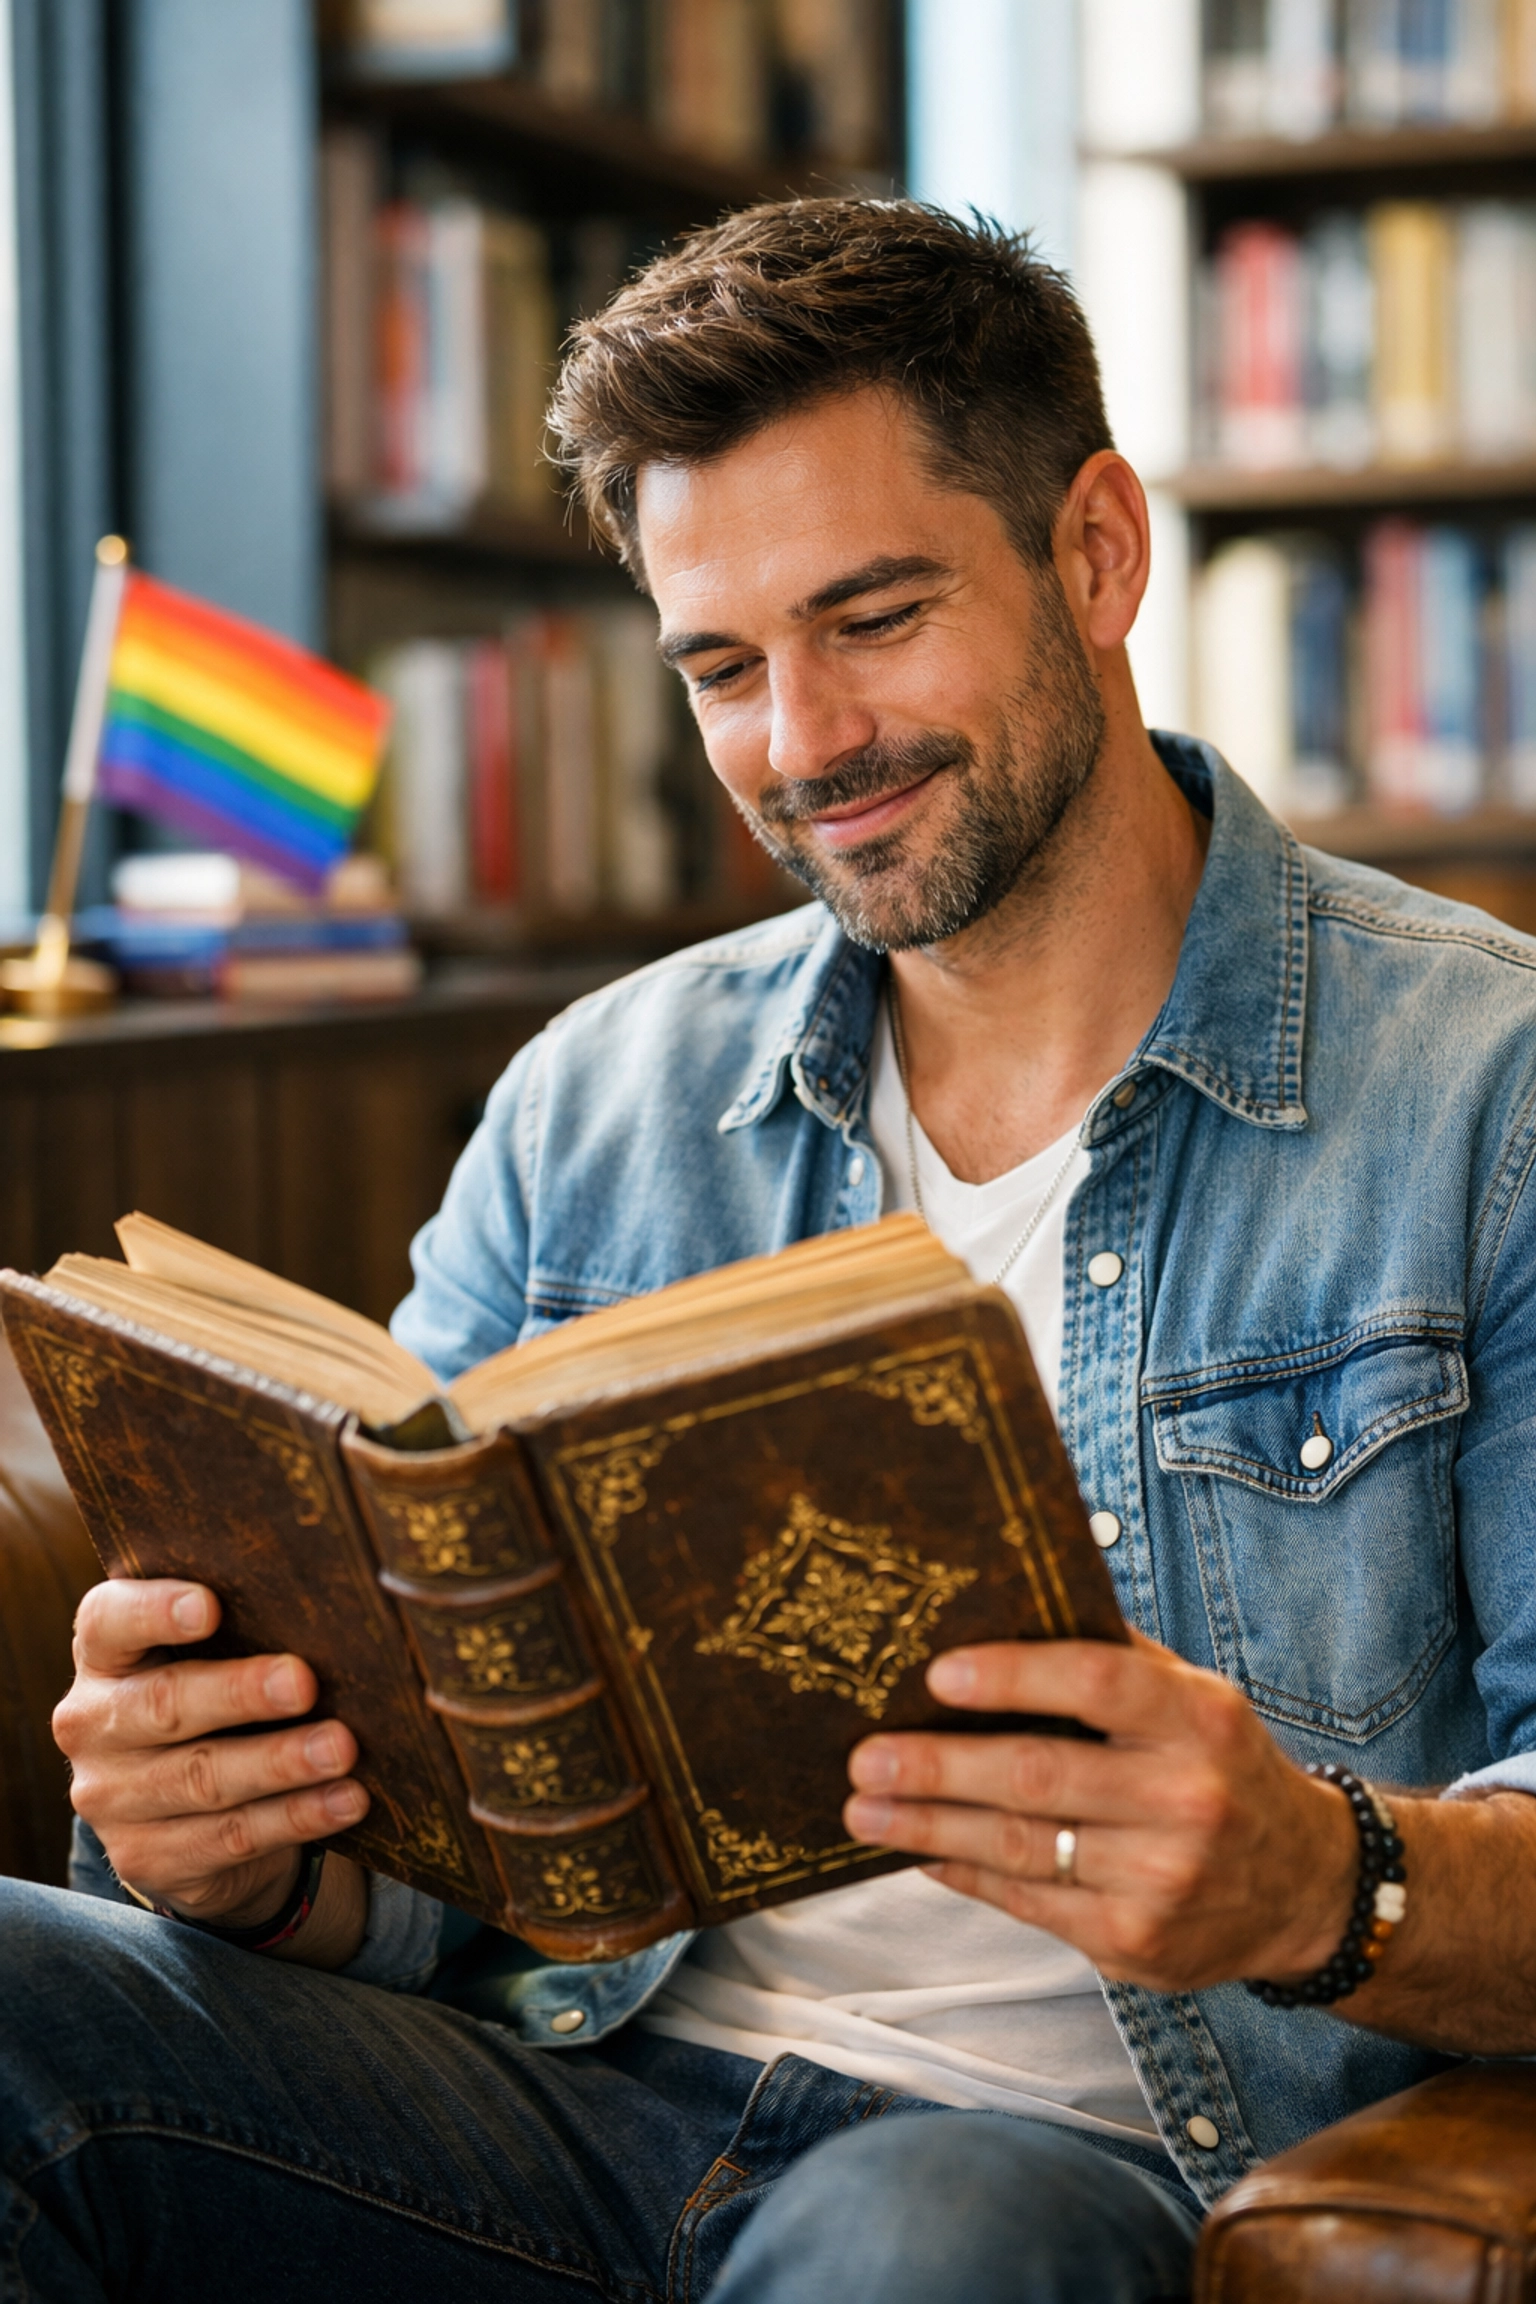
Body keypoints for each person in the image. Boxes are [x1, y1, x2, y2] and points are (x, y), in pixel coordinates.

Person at [5, 198, 1535, 2304]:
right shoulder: (597, 1102)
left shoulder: (1483, 1091)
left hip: (1056, 2172)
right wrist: (250, 1852)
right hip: (563, 2099)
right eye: (725, 665)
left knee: (933, 2233)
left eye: (875, 619)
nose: (804, 744)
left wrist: (1327, 1886)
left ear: (1097, 551)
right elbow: (454, 1857)